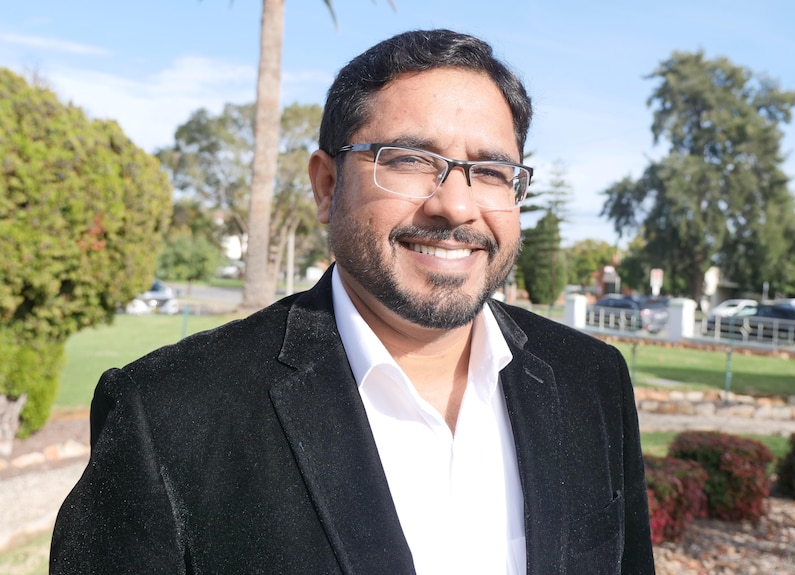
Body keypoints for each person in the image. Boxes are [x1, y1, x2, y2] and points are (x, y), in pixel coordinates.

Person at [50, 29, 655, 574]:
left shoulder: (591, 380)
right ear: (326, 186)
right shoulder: (170, 413)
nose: (457, 205)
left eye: (491, 170)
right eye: (411, 160)